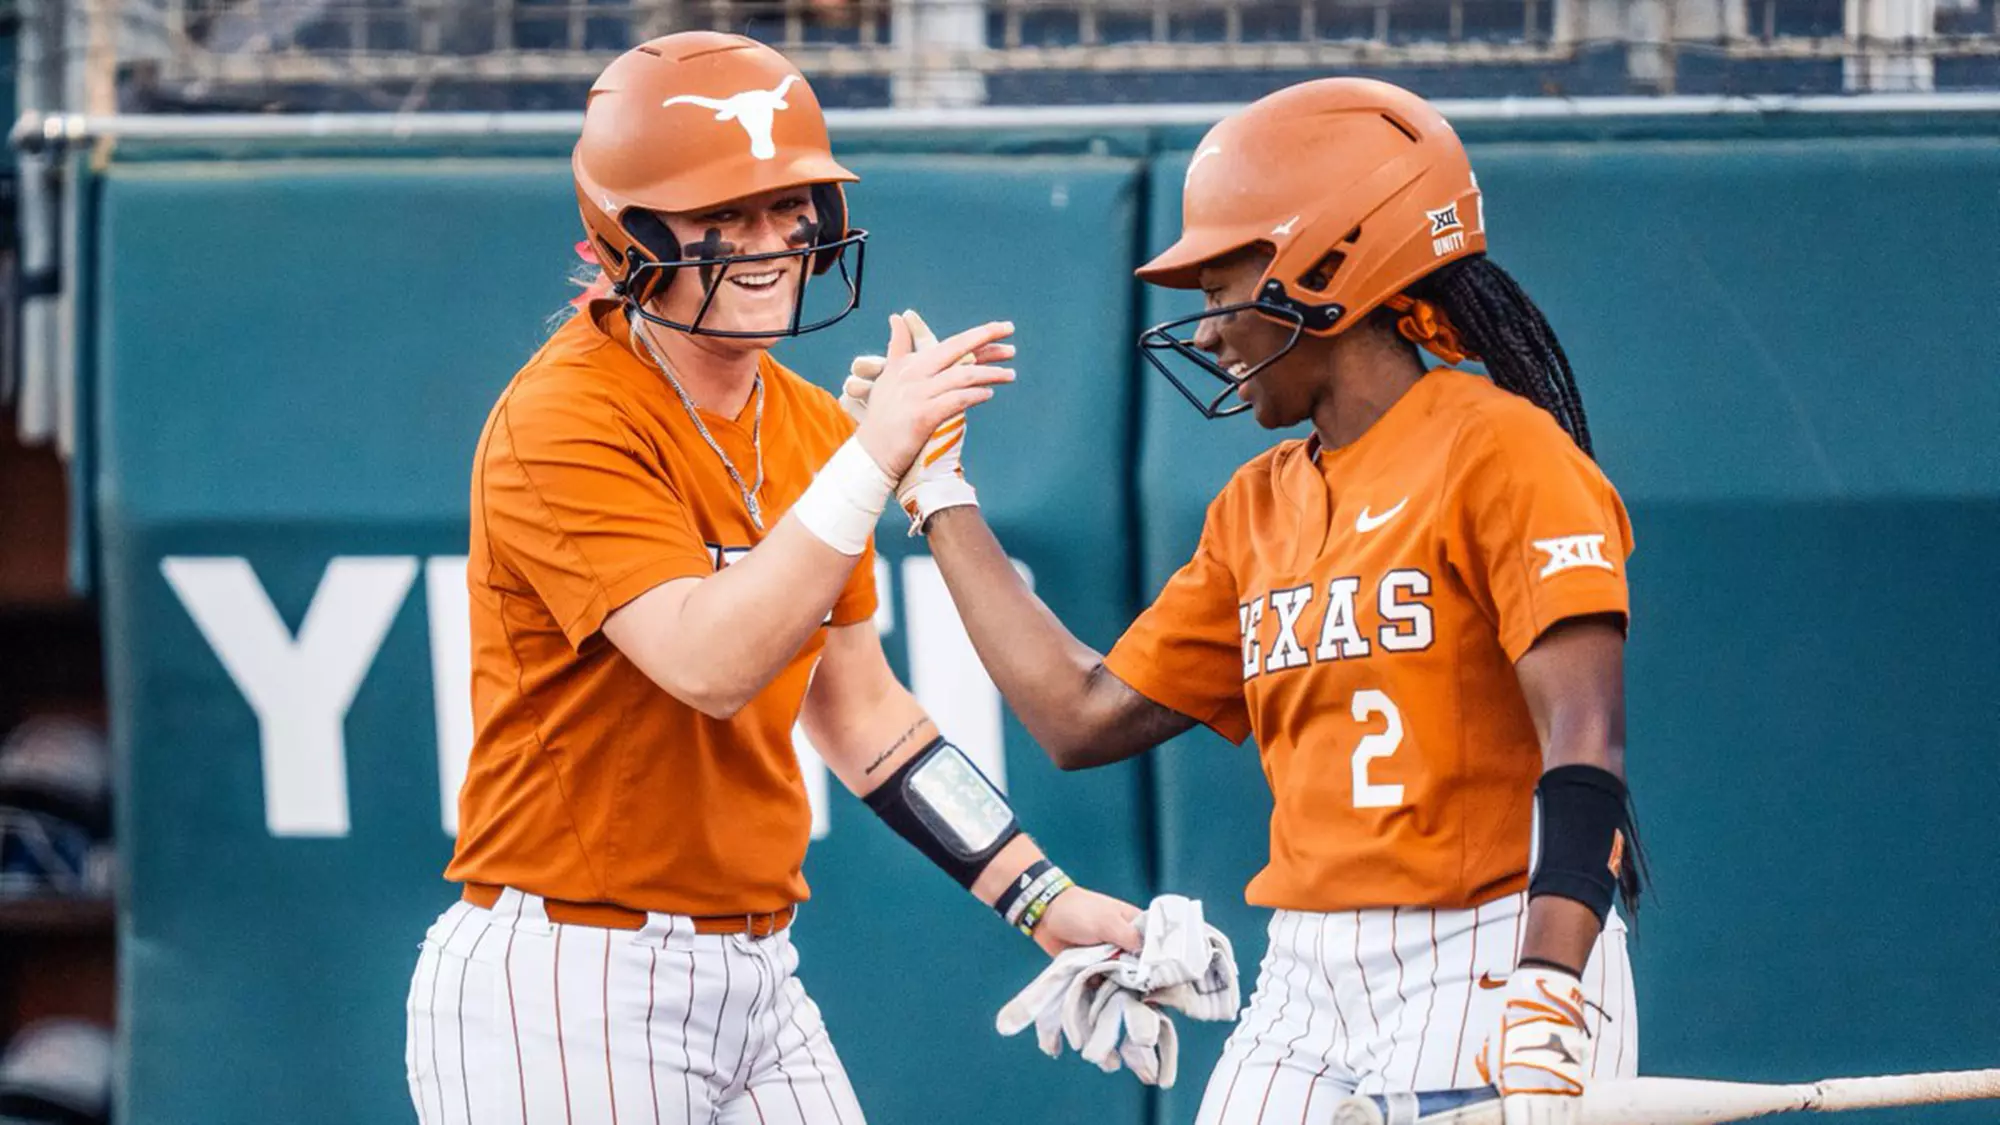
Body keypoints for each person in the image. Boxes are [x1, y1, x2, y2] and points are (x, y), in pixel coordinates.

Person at [872, 77, 1647, 1125]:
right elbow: (1078, 717)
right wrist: (934, 493)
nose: (1202, 330)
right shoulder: (1259, 501)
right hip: (1307, 971)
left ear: (1331, 263)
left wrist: (1551, 978)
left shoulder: (1501, 451)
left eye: (1218, 283)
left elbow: (1584, 744)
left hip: (1486, 949)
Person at [401, 32, 1141, 1125]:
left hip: (754, 973)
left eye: (784, 208)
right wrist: (874, 458)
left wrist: (1041, 897)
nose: (767, 243)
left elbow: (864, 716)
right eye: (722, 217)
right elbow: (708, 662)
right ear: (626, 235)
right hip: (568, 977)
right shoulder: (561, 415)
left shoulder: (799, 421)